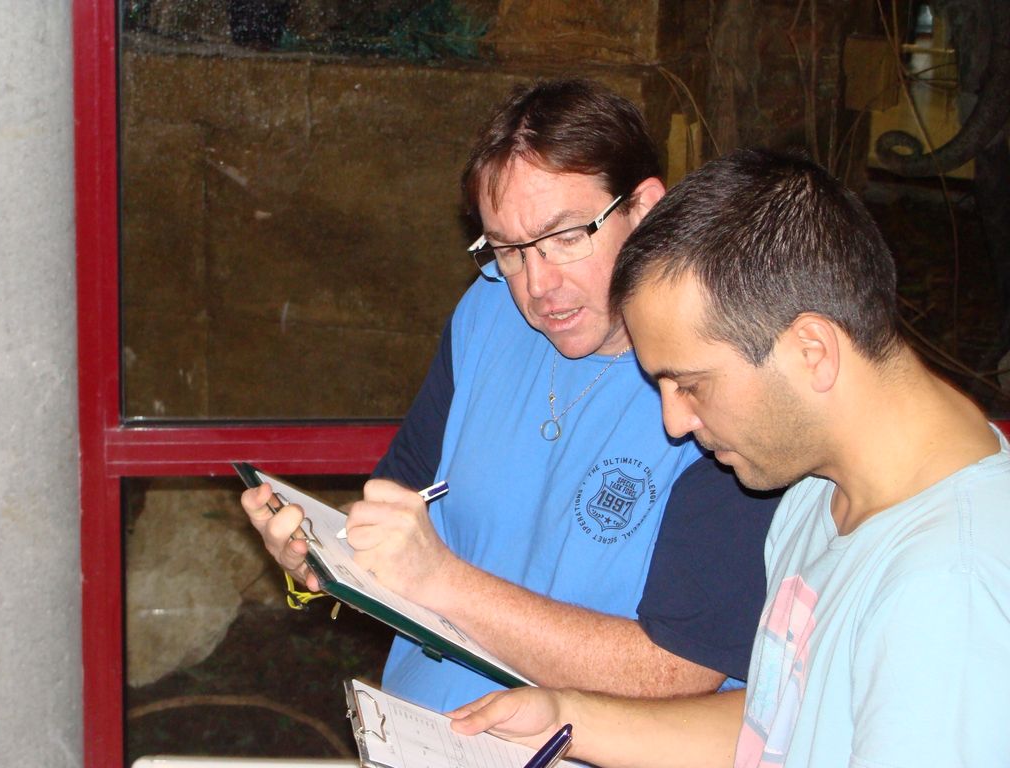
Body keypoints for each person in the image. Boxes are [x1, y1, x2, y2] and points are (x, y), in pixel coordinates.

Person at [449, 148, 1010, 766]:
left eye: (690, 384)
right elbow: (782, 722)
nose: (674, 421)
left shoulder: (948, 591)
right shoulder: (822, 488)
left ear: (812, 351)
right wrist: (567, 719)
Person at [242, 80, 778, 714]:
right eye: (508, 250)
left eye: (566, 237)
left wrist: (442, 581)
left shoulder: (718, 370)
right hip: (418, 734)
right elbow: (399, 500)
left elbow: (678, 671)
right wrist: (323, 556)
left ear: (644, 208)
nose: (538, 285)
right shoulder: (488, 310)